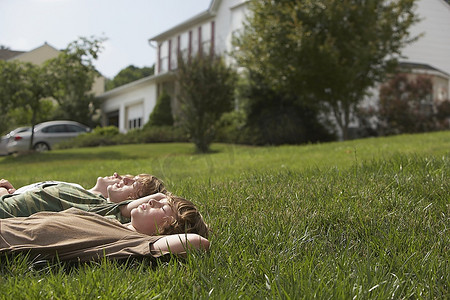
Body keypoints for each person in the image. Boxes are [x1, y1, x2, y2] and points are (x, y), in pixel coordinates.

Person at [0, 206, 210, 262]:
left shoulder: (132, 241)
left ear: (166, 230)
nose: (153, 200)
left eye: (163, 209)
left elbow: (197, 242)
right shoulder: (111, 223)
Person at [0, 175, 168, 222]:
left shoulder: (101, 209)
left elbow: (159, 197)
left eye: (134, 184)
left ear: (133, 200)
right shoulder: (88, 196)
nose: (124, 178)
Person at [0, 172, 167, 198]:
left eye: (130, 181)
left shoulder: (83, 203)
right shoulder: (75, 187)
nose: (118, 175)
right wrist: (13, 191)